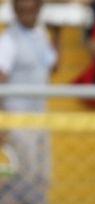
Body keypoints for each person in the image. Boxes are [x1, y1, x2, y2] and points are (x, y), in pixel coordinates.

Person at [0, 0, 56, 193]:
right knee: (23, 174)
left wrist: (58, 35)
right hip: (18, 118)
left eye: (31, 11)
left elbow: (53, 65)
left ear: (39, 10)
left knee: (42, 176)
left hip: (40, 115)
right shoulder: (8, 41)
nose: (27, 16)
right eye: (22, 12)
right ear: (15, 12)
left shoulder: (41, 34)